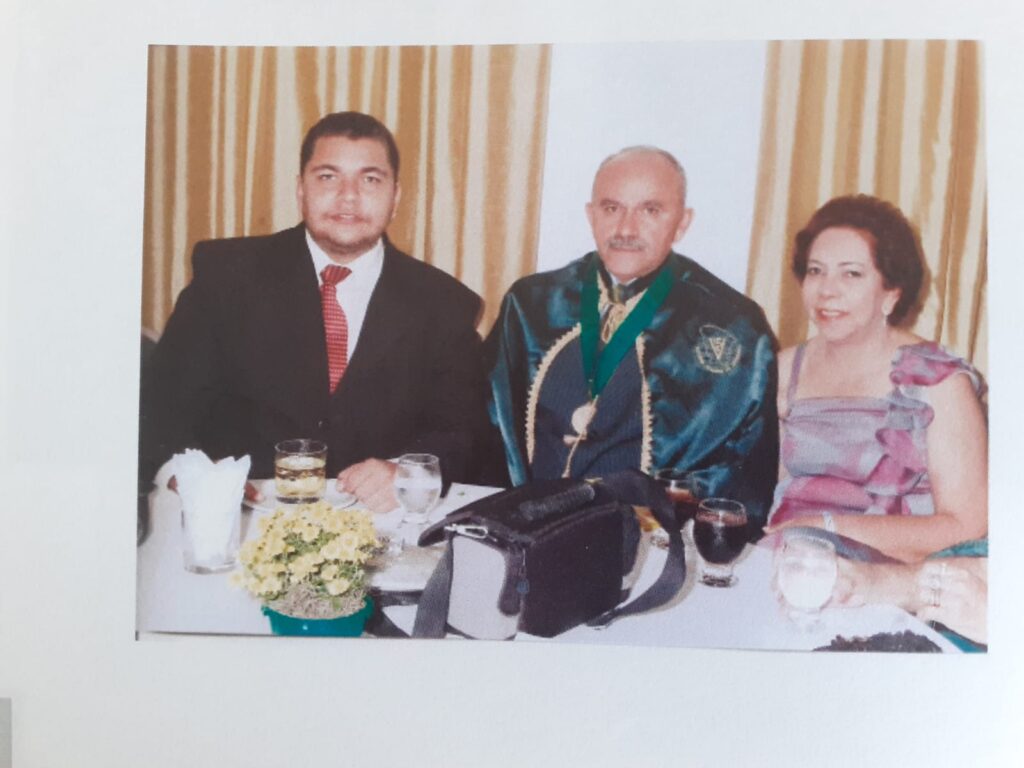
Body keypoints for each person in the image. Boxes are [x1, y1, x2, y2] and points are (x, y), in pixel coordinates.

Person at [140, 111, 487, 512]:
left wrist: (406, 473)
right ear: (300, 189)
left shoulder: (444, 304)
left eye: (370, 180)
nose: (349, 196)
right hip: (238, 516)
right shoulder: (226, 276)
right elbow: (159, 404)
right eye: (328, 176)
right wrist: (188, 474)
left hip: (377, 520)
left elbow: (463, 431)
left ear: (395, 198)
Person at [485, 146, 779, 532]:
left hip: (648, 541)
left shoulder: (733, 325)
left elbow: (739, 473)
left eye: (650, 210)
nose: (626, 229)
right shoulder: (531, 305)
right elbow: (488, 431)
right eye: (612, 208)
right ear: (591, 215)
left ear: (682, 223)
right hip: (526, 528)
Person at [764, 194, 987, 562]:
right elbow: (763, 490)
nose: (826, 290)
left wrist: (825, 529)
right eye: (816, 270)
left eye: (851, 273)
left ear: (891, 293)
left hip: (891, 574)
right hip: (789, 561)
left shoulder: (938, 381)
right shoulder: (786, 368)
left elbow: (967, 525)